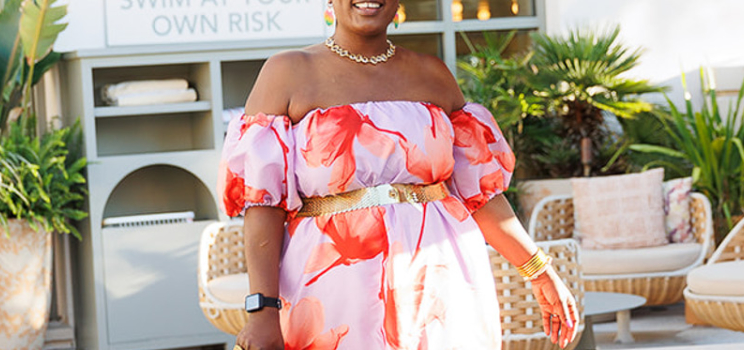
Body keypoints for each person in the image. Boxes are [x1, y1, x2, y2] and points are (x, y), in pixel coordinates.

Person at [222, 0, 579, 349]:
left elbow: (481, 194)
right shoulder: (287, 72)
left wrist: (538, 270)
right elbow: (262, 205)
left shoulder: (432, 74)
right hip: (332, 283)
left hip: (440, 279)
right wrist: (262, 310)